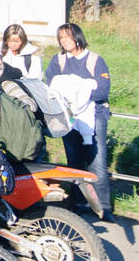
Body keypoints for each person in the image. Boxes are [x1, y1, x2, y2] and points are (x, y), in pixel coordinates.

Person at [45, 22, 113, 219]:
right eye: (61, 38)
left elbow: (102, 91)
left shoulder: (94, 60)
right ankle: (79, 203)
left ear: (77, 36)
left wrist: (79, 90)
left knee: (96, 161)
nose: (64, 41)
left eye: (67, 37)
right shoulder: (59, 60)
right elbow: (50, 85)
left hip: (94, 116)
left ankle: (104, 207)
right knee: (74, 161)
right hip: (69, 117)